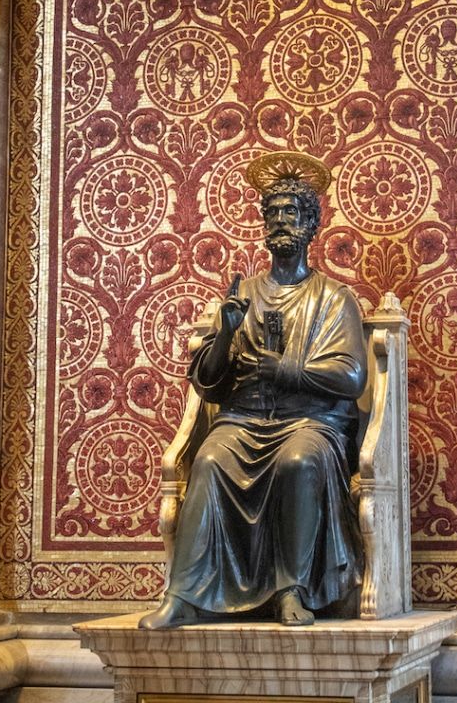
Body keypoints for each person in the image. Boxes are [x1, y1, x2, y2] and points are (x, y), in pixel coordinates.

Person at [139, 154, 367, 629]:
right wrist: (225, 331)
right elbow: (207, 383)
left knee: (298, 462)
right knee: (207, 461)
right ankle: (183, 596)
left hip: (311, 423)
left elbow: (350, 378)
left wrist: (283, 369)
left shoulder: (335, 299)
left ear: (310, 225)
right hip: (243, 421)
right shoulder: (243, 295)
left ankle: (292, 590)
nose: (280, 221)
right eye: (273, 213)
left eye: (291, 212)